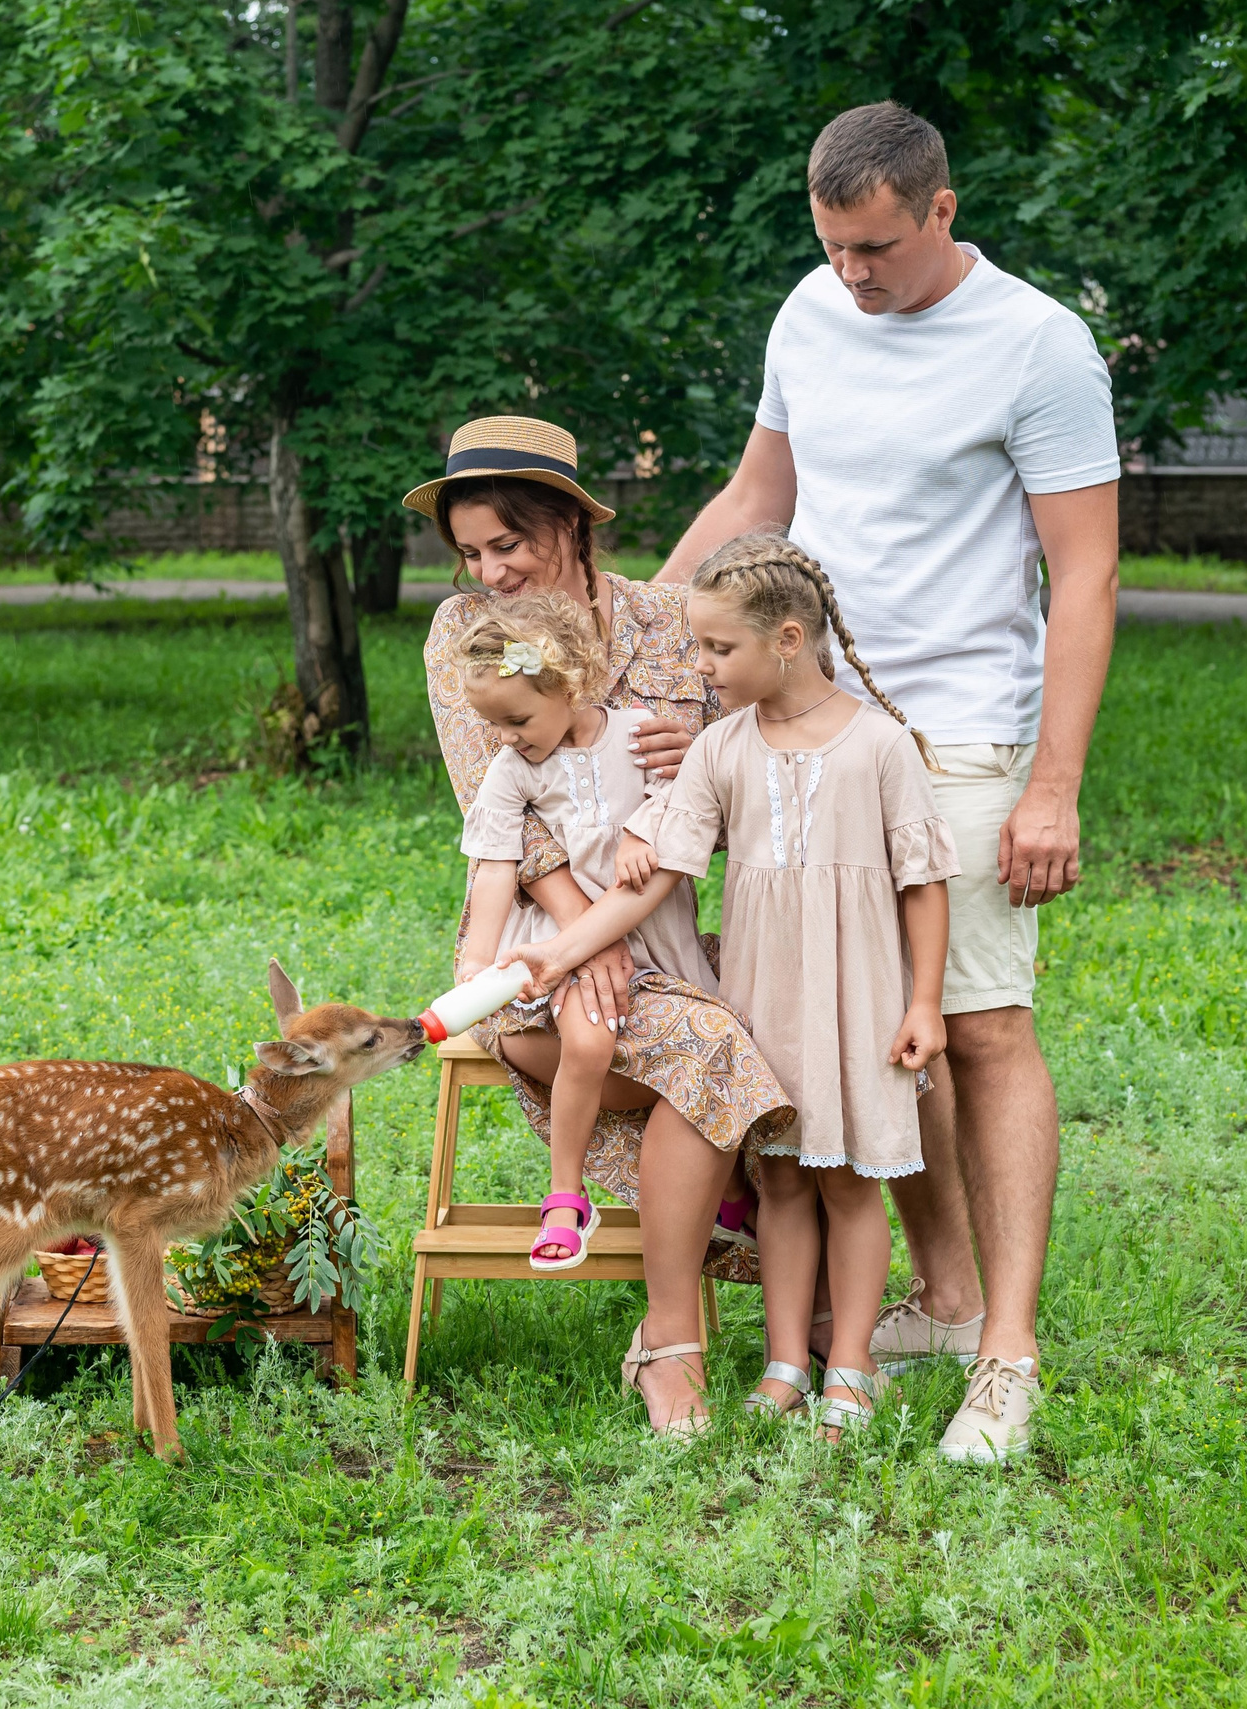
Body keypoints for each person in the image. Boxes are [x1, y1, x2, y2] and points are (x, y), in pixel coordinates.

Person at [657, 102, 1121, 1464]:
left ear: (940, 210)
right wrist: (646, 638)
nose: (854, 275)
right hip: (810, 718)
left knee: (977, 1025)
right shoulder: (811, 310)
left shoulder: (1038, 344)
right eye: (833, 246)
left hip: (960, 726)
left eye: (875, 248)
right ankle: (948, 1290)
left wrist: (1055, 785)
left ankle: (1007, 1358)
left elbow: (1083, 577)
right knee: (866, 1033)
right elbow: (761, 491)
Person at [508, 533, 956, 1439]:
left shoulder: (880, 745)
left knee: (848, 1184)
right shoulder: (719, 749)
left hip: (859, 1000)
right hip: (757, 997)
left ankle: (854, 1366)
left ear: (787, 640)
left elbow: (924, 880)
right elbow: (656, 875)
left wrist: (924, 1002)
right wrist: (559, 954)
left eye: (719, 650)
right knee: (784, 1179)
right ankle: (787, 1361)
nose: (702, 668)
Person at [413, 416, 791, 1433]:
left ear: (572, 525)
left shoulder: (674, 620)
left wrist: (703, 749)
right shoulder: (465, 634)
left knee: (784, 1026)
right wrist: (587, 938)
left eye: (508, 543)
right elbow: (496, 815)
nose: (488, 571)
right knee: (711, 1051)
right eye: (471, 551)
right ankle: (673, 1342)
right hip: (534, 952)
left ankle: (793, 1300)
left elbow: (754, 778)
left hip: (670, 936)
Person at [450, 590, 729, 1275]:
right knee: (591, 1034)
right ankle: (566, 1195)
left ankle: (728, 1193)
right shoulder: (513, 771)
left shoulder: (638, 730)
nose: (507, 737)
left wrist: (645, 825)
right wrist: (475, 960)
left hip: (654, 930)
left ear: (570, 683)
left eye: (516, 719)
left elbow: (690, 793)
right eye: (494, 725)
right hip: (561, 937)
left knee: (722, 1040)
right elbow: (494, 869)